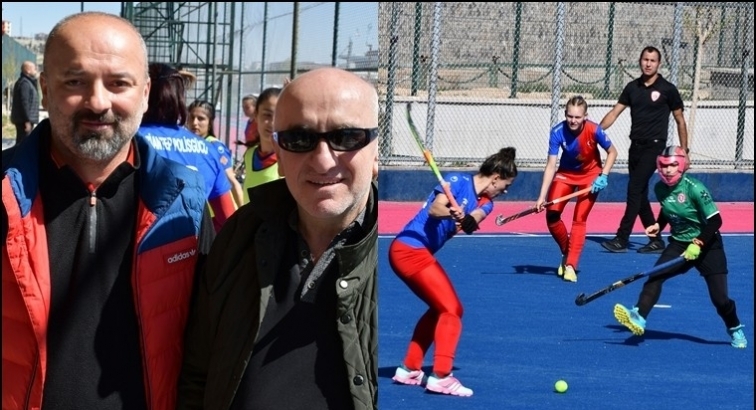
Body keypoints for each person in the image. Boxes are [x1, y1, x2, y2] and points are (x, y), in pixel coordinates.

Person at [2, 12, 208, 409]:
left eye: (118, 83)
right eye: (75, 82)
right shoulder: (5, 194)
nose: (98, 102)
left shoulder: (185, 200)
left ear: (145, 93)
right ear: (44, 89)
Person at [177, 67, 380, 409]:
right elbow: (197, 373)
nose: (323, 160)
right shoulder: (238, 238)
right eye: (299, 139)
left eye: (346, 137)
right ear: (280, 155)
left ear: (376, 151)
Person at [390, 147, 518, 397]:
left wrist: (468, 218)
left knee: (439, 308)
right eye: (506, 185)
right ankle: (441, 376)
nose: (505, 191)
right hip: (409, 249)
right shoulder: (457, 181)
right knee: (452, 309)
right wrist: (451, 212)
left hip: (417, 253)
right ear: (495, 177)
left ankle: (410, 368)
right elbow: (434, 209)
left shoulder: (487, 203)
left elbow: (476, 216)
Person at [613, 146, 747, 349]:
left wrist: (698, 243)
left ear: (682, 165)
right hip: (679, 244)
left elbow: (715, 221)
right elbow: (668, 209)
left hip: (708, 245)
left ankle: (735, 327)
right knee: (655, 277)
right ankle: (639, 316)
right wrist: (659, 225)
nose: (668, 170)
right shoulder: (660, 189)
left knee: (720, 299)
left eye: (673, 165)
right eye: (664, 165)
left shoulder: (695, 188)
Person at [600, 46, 689, 254]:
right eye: (645, 59)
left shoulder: (668, 89)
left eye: (653, 60)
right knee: (639, 196)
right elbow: (614, 113)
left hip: (655, 147)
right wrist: (594, 131)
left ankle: (622, 238)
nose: (648, 64)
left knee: (634, 189)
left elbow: (680, 120)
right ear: (640, 61)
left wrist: (685, 151)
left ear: (659, 64)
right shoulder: (632, 88)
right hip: (635, 147)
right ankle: (656, 240)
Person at [139, 63, 236, 233]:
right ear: (180, 99)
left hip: (138, 246)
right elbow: (229, 219)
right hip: (191, 246)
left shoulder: (131, 141)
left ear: (143, 93)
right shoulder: (207, 150)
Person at [535, 96, 618, 282]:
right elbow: (551, 166)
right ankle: (567, 252)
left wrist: (603, 175)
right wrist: (541, 196)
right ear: (565, 114)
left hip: (591, 175)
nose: (573, 121)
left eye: (577, 117)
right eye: (569, 116)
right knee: (552, 215)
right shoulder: (557, 132)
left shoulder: (594, 130)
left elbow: (612, 152)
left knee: (579, 218)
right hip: (566, 174)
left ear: (585, 116)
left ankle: (571, 265)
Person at [187, 99, 245, 207]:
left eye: (201, 119)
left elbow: (231, 181)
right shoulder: (185, 145)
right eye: (191, 117)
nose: (194, 123)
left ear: (210, 122)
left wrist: (243, 213)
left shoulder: (215, 147)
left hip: (217, 212)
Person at [241, 86, 283, 204]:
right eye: (267, 115)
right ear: (256, 115)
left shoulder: (289, 159)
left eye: (279, 116)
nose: (272, 123)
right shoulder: (249, 155)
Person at [10, 60, 40, 144]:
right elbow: (24, 103)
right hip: (24, 121)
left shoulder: (28, 82)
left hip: (26, 120)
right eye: (34, 68)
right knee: (23, 144)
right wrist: (26, 121)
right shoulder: (24, 84)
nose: (36, 70)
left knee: (24, 143)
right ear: (28, 70)